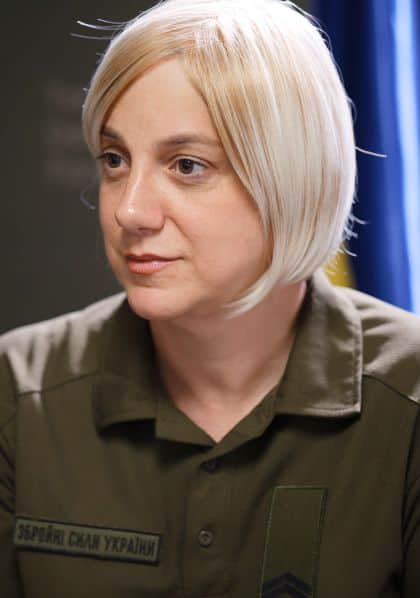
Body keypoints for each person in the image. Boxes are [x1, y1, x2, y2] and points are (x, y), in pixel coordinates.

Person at [1, 0, 420, 596]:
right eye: (115, 160)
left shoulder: (409, 400)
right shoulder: (17, 393)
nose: (129, 211)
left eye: (187, 165)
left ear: (292, 177)